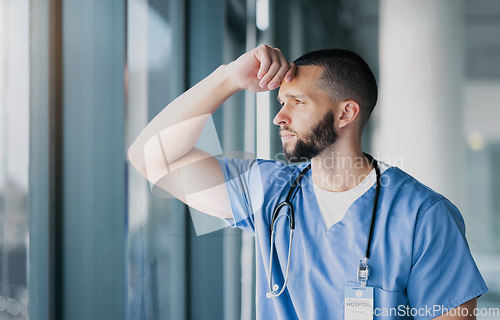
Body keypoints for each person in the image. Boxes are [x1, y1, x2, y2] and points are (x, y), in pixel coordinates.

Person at [128, 45, 488, 319]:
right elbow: (149, 156)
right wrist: (229, 78)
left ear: (346, 112)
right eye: (281, 101)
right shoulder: (268, 190)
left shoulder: (423, 217)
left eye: (296, 102)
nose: (278, 117)